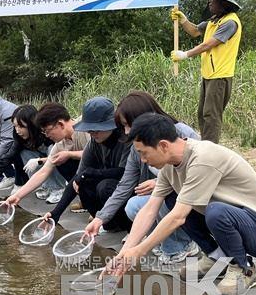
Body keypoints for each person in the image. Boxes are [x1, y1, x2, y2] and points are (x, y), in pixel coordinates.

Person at [104, 113, 256, 295]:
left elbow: (178, 217)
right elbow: (150, 209)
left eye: (143, 153)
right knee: (174, 200)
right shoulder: (169, 168)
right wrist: (124, 255)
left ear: (163, 145)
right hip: (235, 221)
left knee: (213, 212)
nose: (142, 160)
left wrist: (140, 251)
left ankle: (243, 268)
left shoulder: (203, 158)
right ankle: (217, 257)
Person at [83, 91, 199, 264]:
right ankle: (162, 240)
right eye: (124, 126)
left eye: (128, 125)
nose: (127, 131)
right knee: (133, 205)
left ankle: (184, 243)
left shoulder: (182, 134)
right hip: (163, 195)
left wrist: (159, 182)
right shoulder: (136, 147)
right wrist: (101, 218)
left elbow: (197, 174)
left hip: (191, 199)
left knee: (163, 196)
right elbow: (125, 185)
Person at [42, 97, 132, 231]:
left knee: (104, 186)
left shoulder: (125, 140)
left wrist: (93, 173)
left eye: (96, 129)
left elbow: (125, 173)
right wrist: (56, 213)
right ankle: (108, 224)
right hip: (108, 198)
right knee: (81, 182)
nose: (92, 133)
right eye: (90, 130)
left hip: (127, 189)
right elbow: (78, 177)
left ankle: (128, 226)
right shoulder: (94, 143)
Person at [171, 0, 242, 144]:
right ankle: (206, 146)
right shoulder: (213, 21)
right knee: (202, 113)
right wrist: (183, 20)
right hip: (209, 75)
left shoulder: (230, 22)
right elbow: (195, 31)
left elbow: (208, 44)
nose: (210, 1)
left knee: (211, 115)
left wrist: (185, 55)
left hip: (220, 77)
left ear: (223, 3)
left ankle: (210, 152)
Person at [4, 102, 89, 205]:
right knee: (62, 161)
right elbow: (43, 172)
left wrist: (69, 154)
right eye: (44, 132)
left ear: (61, 124)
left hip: (105, 173)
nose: (47, 135)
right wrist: (17, 196)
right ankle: (86, 199)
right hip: (85, 175)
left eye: (47, 131)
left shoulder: (85, 128)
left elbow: (96, 154)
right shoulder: (60, 145)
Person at [0, 105, 66, 197]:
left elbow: (59, 155)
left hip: (58, 158)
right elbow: (9, 156)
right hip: (44, 158)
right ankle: (46, 186)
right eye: (15, 126)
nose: (17, 130)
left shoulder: (46, 132)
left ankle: (58, 188)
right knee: (23, 153)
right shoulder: (19, 136)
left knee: (52, 150)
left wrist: (39, 161)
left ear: (32, 124)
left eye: (21, 126)